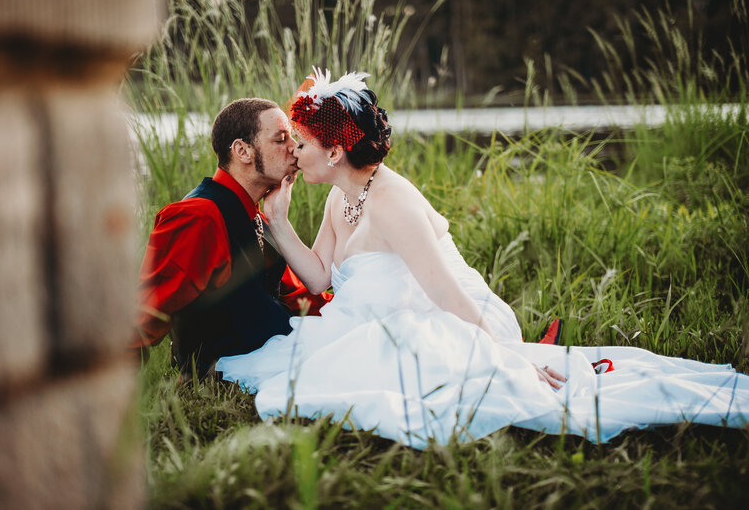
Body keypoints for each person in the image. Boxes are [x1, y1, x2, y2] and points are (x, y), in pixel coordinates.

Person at [215, 69, 749, 448]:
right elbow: (321, 276)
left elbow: (446, 292)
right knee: (314, 368)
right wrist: (279, 224)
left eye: (302, 143)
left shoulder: (390, 199)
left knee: (393, 379)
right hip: (385, 318)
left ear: (333, 151)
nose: (294, 153)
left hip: (446, 318)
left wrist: (514, 357)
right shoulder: (339, 198)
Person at [131, 98, 331, 381]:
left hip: (281, 355)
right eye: (281, 139)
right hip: (225, 373)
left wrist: (356, 316)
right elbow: (145, 316)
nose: (294, 149)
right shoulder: (198, 217)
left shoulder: (260, 217)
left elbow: (297, 297)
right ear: (242, 151)